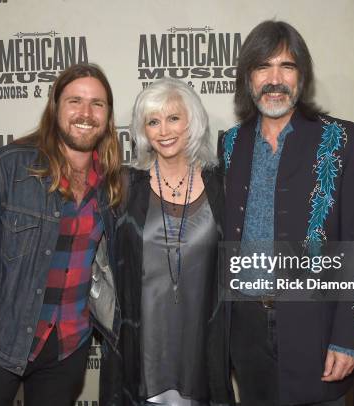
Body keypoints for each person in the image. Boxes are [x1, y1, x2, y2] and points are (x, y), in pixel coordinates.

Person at [0, 63, 122, 406]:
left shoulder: (112, 181)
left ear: (108, 116)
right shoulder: (8, 167)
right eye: (74, 101)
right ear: (54, 108)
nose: (86, 113)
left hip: (69, 346)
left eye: (97, 104)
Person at [220, 21, 354, 405]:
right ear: (248, 78)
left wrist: (349, 338)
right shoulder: (230, 144)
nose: (275, 79)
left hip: (317, 326)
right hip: (246, 329)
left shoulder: (345, 140)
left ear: (302, 76)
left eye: (286, 67)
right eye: (263, 67)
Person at [100, 77, 233, 405]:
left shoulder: (223, 186)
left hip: (202, 345)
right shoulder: (124, 187)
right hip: (141, 348)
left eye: (173, 118)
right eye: (153, 122)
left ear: (193, 121)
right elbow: (98, 262)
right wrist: (113, 325)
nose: (164, 130)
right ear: (143, 130)